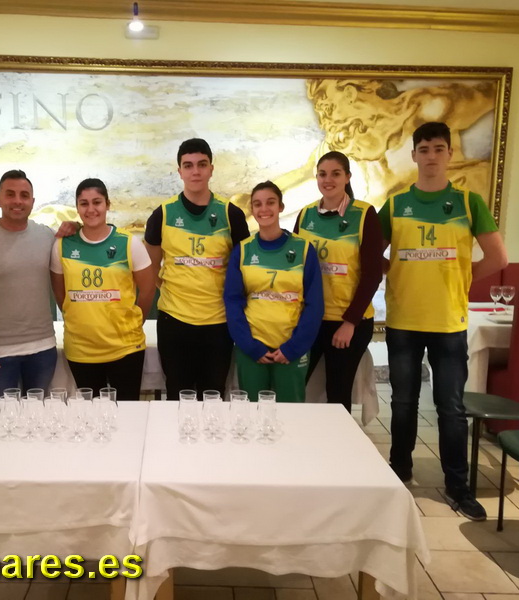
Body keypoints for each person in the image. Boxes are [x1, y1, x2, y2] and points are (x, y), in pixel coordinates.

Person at [380, 122, 507, 521]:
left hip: (449, 323)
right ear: (414, 156)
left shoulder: (469, 203)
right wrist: (395, 272)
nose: (431, 156)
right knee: (403, 404)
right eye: (424, 149)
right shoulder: (396, 205)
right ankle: (399, 472)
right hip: (403, 320)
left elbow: (498, 258)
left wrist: (462, 278)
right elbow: (369, 256)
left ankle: (458, 487)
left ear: (449, 154)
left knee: (450, 408)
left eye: (438, 148)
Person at [144, 138, 250, 398]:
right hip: (174, 322)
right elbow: (151, 268)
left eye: (202, 164)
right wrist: (174, 290)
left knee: (212, 396)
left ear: (211, 169)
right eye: (188, 165)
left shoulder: (232, 215)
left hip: (218, 323)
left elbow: (244, 272)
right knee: (177, 394)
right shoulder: (162, 215)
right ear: (179, 171)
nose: (195, 171)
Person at [0, 170, 75, 399]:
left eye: (24, 195)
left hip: (43, 349)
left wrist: (76, 226)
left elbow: (78, 237)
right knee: (4, 416)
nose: (17, 201)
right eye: (10, 194)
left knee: (37, 414)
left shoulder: (46, 236)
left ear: (32, 201)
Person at [50, 178, 155, 400]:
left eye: (97, 202)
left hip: (125, 348)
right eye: (84, 203)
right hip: (81, 351)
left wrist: (133, 322)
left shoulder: (129, 243)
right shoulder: (62, 245)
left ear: (107, 204)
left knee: (127, 414)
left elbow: (147, 291)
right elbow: (61, 294)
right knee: (92, 416)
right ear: (77, 207)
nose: (91, 209)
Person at [294, 151, 383, 412]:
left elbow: (372, 274)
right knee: (294, 385)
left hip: (348, 322)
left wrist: (349, 322)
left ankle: (338, 438)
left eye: (335, 174)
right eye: (322, 174)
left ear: (347, 177)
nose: (328, 179)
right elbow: (295, 269)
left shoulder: (364, 214)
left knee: (337, 392)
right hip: (311, 319)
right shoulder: (306, 214)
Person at [224, 181, 323, 401]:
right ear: (252, 210)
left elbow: (315, 304)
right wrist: (250, 346)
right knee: (252, 413)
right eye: (258, 204)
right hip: (252, 349)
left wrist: (294, 347)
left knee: (291, 413)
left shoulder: (303, 249)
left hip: (291, 349)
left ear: (281, 207)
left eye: (270, 202)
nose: (264, 209)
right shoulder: (242, 250)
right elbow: (232, 301)